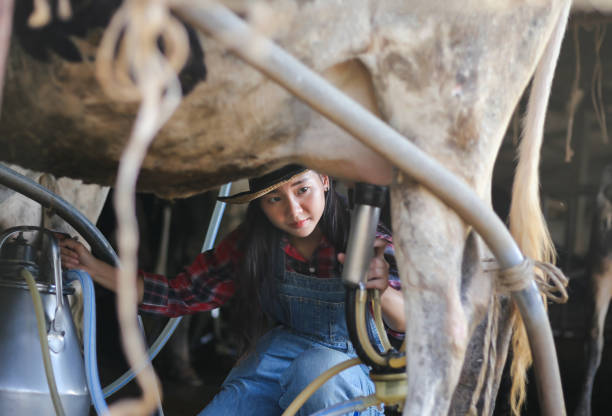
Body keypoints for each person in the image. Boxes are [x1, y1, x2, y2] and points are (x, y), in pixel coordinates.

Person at [59, 164, 405, 416]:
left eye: (302, 189)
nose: (293, 210)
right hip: (284, 351)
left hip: (355, 365)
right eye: (274, 199)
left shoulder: (369, 243)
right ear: (260, 206)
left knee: (314, 371)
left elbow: (412, 328)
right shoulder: (251, 247)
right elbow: (179, 294)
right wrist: (92, 266)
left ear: (324, 181)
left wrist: (382, 289)